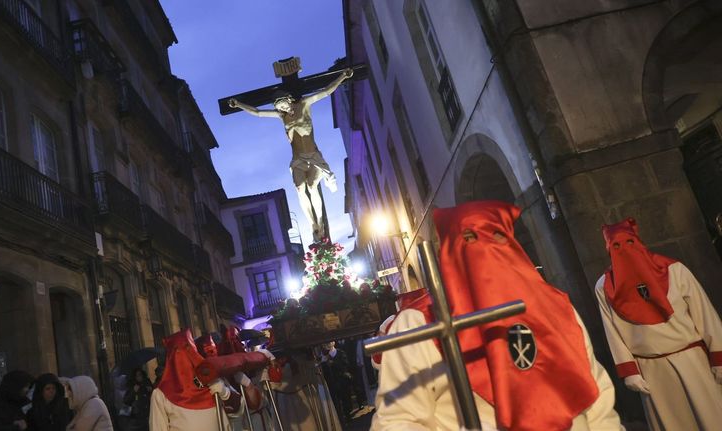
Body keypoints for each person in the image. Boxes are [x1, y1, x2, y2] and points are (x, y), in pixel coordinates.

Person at [371, 201, 622, 430]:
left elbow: (596, 396)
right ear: (447, 252)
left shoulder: (556, 308)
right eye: (468, 238)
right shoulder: (419, 322)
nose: (485, 248)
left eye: (496, 236)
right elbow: (398, 420)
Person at [595, 217, 722, 430]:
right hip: (651, 370)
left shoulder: (675, 270)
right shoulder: (604, 286)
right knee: (672, 423)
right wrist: (629, 371)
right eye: (616, 246)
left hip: (692, 360)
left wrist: (719, 356)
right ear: (609, 249)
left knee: (711, 418)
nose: (624, 250)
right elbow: (612, 331)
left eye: (629, 242)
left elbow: (705, 314)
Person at [229, 67, 353, 241]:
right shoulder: (282, 117)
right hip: (297, 159)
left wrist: (342, 77)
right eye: (278, 107)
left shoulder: (304, 104)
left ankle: (320, 222)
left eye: (282, 105)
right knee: (300, 189)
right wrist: (239, 104)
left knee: (312, 187)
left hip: (314, 156)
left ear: (287, 99)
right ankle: (313, 225)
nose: (281, 109)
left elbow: (325, 91)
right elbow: (258, 113)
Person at [149, 329, 241, 431]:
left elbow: (239, 410)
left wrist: (225, 394)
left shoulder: (211, 379)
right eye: (178, 352)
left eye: (189, 350)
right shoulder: (161, 395)